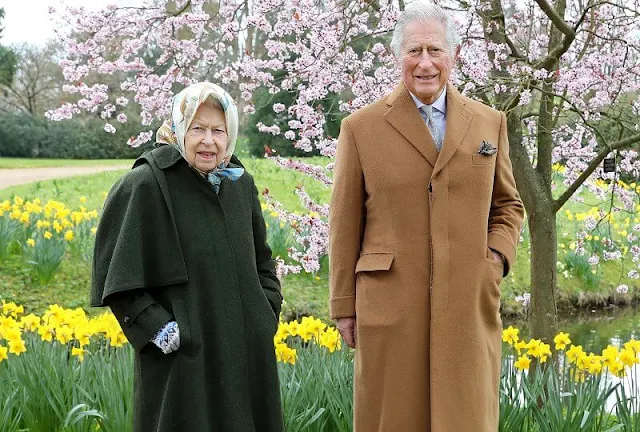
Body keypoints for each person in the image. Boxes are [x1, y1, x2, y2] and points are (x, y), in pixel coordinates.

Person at [328, 2, 525, 431]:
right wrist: (344, 305)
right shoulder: (360, 128)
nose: (424, 63)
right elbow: (344, 225)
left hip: (467, 303)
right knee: (393, 418)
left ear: (453, 55)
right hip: (390, 305)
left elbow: (508, 206)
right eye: (413, 51)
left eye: (435, 50)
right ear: (397, 57)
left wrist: (493, 259)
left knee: (466, 417)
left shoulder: (489, 124)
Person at [91, 82, 284, 432]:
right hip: (183, 360)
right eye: (197, 128)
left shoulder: (240, 184)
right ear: (180, 129)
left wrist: (265, 310)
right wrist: (160, 330)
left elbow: (262, 260)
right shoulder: (146, 183)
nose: (208, 140)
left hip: (246, 352)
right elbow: (118, 279)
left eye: (217, 130)